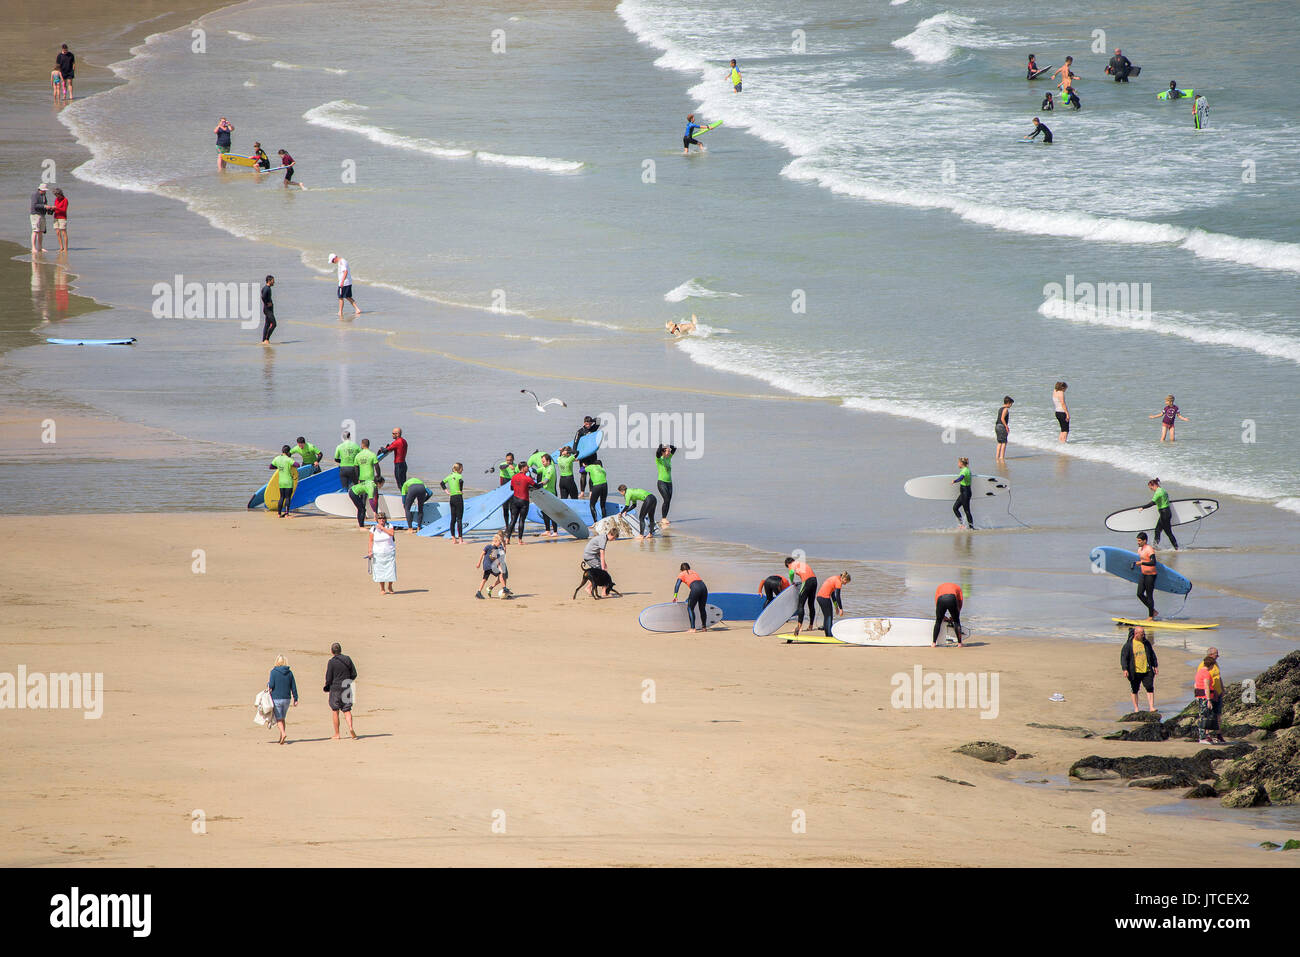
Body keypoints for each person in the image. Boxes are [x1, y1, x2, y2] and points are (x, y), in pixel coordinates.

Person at [1120, 626, 1158, 713]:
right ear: (1136, 634)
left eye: (1144, 633)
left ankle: (1151, 707)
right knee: (1135, 689)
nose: (1143, 635)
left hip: (1147, 670)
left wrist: (1155, 666)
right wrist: (1125, 669)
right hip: (1134, 671)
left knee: (1149, 688)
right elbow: (1123, 658)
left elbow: (1152, 655)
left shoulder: (1146, 643)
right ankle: (1136, 708)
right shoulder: (1129, 645)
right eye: (1142, 634)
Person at [323, 642, 358, 740]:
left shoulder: (331, 662)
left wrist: (327, 686)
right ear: (340, 650)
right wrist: (348, 681)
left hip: (335, 688)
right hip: (346, 686)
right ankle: (350, 727)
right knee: (347, 710)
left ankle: (337, 734)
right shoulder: (347, 659)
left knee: (335, 710)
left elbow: (328, 677)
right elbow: (354, 673)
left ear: (332, 651)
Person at [1193, 649, 1226, 744]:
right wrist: (1200, 695)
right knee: (1207, 714)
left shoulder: (1216, 664)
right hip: (1209, 694)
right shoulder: (1203, 667)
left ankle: (1219, 735)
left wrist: (1222, 689)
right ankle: (1206, 736)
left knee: (1218, 714)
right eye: (1216, 655)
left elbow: (1219, 677)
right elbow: (1199, 682)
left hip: (1217, 692)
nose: (1218, 656)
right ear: (1211, 655)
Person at [266, 654, 298, 745]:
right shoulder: (289, 672)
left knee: (279, 718)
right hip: (287, 699)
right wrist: (295, 698)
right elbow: (293, 686)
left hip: (277, 698)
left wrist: (268, 684)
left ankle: (283, 733)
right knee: (282, 718)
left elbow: (271, 685)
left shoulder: (273, 672)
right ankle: (281, 737)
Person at [580, 526, 618, 598]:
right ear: (611, 534)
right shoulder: (603, 540)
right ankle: (604, 593)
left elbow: (597, 552)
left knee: (596, 573)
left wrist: (604, 563)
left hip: (591, 555)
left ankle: (588, 587)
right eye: (614, 538)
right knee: (602, 573)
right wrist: (603, 568)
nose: (614, 540)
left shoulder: (603, 537)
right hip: (589, 556)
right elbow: (602, 554)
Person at [673, 563, 711, 632]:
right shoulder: (694, 572)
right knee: (702, 608)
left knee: (690, 608)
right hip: (704, 588)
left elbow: (677, 585)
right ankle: (704, 628)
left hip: (695, 589)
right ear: (689, 568)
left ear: (681, 570)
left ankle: (693, 628)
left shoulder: (682, 574)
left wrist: (675, 596)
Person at [785, 555, 817, 637]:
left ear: (788, 564)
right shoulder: (801, 563)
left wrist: (792, 581)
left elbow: (791, 573)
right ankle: (811, 626)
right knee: (811, 604)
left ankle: (799, 627)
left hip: (807, 582)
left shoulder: (792, 565)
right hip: (814, 580)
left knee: (801, 604)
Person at [507, 463, 539, 544]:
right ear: (523, 468)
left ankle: (507, 539)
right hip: (524, 501)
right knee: (522, 520)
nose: (528, 467)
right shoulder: (527, 478)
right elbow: (537, 486)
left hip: (514, 500)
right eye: (527, 466)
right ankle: (520, 540)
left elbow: (511, 488)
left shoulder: (514, 477)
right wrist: (543, 483)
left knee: (513, 520)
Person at [368, 512, 397, 595]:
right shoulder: (373, 529)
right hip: (378, 552)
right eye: (380, 519)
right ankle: (382, 588)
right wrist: (370, 551)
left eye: (383, 518)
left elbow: (391, 533)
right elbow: (370, 540)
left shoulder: (389, 526)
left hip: (389, 551)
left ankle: (390, 586)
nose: (382, 520)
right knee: (380, 571)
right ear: (377, 519)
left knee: (391, 570)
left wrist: (382, 528)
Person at [1132, 532, 1159, 620]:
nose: (1138, 542)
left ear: (1145, 540)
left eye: (1139, 541)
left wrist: (1142, 563)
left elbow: (1153, 562)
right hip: (1143, 574)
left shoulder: (1149, 549)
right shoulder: (1139, 549)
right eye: (1137, 541)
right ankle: (1153, 611)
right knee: (1139, 594)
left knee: (1149, 595)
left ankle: (1151, 616)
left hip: (1151, 575)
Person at [816, 572, 849, 639]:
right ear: (844, 578)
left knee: (827, 616)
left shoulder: (835, 578)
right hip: (824, 598)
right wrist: (841, 609)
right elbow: (837, 596)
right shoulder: (838, 582)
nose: (845, 584)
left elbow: (833, 595)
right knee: (829, 617)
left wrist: (836, 607)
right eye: (846, 582)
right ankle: (829, 635)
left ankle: (827, 634)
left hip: (819, 597)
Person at [476, 533, 509, 598]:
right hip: (489, 566)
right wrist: (479, 563)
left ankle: (478, 592)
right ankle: (504, 588)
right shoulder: (488, 547)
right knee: (500, 575)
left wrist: (499, 567)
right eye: (499, 543)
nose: (499, 545)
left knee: (484, 579)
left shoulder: (496, 549)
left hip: (487, 567)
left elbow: (497, 560)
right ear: (495, 541)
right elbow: (482, 554)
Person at [573, 416, 600, 494]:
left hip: (592, 454)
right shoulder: (580, 432)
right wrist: (575, 455)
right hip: (583, 455)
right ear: (584, 423)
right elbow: (575, 443)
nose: (589, 425)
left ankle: (591, 491)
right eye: (587, 423)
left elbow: (599, 420)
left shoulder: (593, 428)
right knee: (583, 474)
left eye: (590, 424)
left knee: (592, 473)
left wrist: (592, 421)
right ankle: (582, 492)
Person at [268, 444, 296, 518]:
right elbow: (297, 464)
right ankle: (286, 514)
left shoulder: (277, 458)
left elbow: (270, 466)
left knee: (281, 497)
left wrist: (279, 467)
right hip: (288, 482)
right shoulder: (288, 459)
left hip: (281, 482)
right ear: (288, 452)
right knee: (287, 498)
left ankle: (279, 514)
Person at [440, 463, 465, 543]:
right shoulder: (459, 476)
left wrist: (447, 491)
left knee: (453, 519)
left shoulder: (449, 476)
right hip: (458, 497)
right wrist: (461, 490)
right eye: (462, 469)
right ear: (459, 469)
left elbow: (442, 483)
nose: (462, 470)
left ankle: (453, 538)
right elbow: (461, 482)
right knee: (459, 519)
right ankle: (460, 539)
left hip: (452, 498)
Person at [329, 253, 360, 318]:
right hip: (347, 282)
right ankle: (357, 309)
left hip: (344, 283)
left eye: (332, 261)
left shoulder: (341, 262)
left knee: (340, 297)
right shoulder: (343, 261)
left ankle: (340, 312)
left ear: (334, 259)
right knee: (348, 297)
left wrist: (342, 282)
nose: (332, 262)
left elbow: (345, 271)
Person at [934, 581, 965, 647]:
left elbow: (937, 601)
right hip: (952, 598)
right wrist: (955, 615)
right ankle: (959, 643)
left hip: (941, 599)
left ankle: (933, 643)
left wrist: (942, 616)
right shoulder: (958, 588)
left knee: (938, 621)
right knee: (956, 621)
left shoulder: (939, 587)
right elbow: (960, 601)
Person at [536, 453, 559, 537]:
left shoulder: (551, 468)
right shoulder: (544, 467)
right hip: (544, 493)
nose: (542, 463)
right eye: (542, 461)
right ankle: (547, 530)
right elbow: (537, 471)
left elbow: (546, 480)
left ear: (548, 461)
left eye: (544, 461)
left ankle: (555, 531)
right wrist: (528, 469)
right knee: (544, 511)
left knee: (552, 512)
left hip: (551, 493)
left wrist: (540, 484)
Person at [655, 444, 676, 525]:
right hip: (661, 482)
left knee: (668, 501)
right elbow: (657, 452)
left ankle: (664, 518)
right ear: (663, 452)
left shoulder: (668, 458)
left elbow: (674, 448)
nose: (669, 452)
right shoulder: (659, 460)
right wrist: (661, 445)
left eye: (669, 451)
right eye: (668, 451)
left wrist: (669, 446)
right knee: (666, 499)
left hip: (669, 483)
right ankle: (663, 518)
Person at [951, 456, 974, 529]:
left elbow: (962, 477)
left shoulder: (965, 471)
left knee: (967, 511)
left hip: (966, 492)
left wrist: (955, 481)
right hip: (964, 492)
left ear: (961, 463)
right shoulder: (965, 470)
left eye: (958, 463)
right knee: (955, 508)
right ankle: (962, 525)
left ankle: (971, 527)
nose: (958, 464)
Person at [585, 459, 610, 524]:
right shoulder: (603, 470)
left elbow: (581, 470)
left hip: (597, 486)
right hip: (605, 485)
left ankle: (595, 522)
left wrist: (585, 466)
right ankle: (604, 521)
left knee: (592, 505)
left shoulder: (592, 466)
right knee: (603, 505)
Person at [30, 184, 51, 254]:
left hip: (42, 214)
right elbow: (34, 205)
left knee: (41, 231)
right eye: (44, 190)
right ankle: (33, 248)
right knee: (35, 231)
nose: (45, 191)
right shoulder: (35, 195)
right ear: (40, 189)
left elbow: (45, 204)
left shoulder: (44, 195)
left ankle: (40, 247)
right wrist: (44, 206)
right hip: (35, 214)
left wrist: (48, 209)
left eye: (45, 190)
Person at [994, 395, 1013, 461]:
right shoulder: (1005, 409)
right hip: (1001, 426)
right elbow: (1002, 419)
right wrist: (1006, 426)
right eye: (1011, 404)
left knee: (999, 442)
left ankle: (997, 457)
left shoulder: (1000, 409)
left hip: (997, 426)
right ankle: (1001, 457)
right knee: (1004, 442)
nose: (1011, 405)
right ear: (1008, 403)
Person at [50, 189, 69, 253]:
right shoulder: (56, 199)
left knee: (63, 233)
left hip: (62, 218)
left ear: (60, 194)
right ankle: (61, 247)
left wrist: (56, 208)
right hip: (56, 217)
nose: (56, 196)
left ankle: (65, 249)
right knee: (57, 233)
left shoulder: (65, 200)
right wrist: (52, 209)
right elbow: (56, 208)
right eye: (55, 195)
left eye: (57, 195)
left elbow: (64, 210)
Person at [259, 274, 277, 345]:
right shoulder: (267, 288)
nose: (274, 282)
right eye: (273, 281)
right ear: (269, 281)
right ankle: (267, 339)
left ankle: (264, 340)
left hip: (267, 309)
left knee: (267, 324)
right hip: (268, 310)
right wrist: (267, 303)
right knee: (274, 324)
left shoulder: (266, 288)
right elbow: (263, 297)